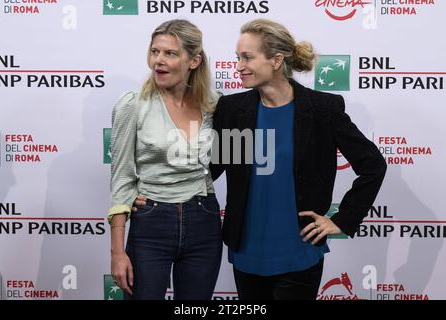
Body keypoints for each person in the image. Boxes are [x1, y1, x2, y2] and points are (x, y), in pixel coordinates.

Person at [209, 19, 387, 300]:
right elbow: (213, 169)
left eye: (247, 57)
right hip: (246, 253)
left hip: (300, 252)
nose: (239, 66)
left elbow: (373, 166)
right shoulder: (234, 109)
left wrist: (343, 219)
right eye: (237, 57)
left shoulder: (322, 110)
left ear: (276, 59)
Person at [109, 19, 222, 300]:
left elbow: (228, 159)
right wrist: (117, 251)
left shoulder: (215, 104)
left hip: (204, 219)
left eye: (170, 53)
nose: (158, 61)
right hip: (151, 223)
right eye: (155, 51)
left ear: (194, 61)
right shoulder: (133, 105)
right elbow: (122, 178)